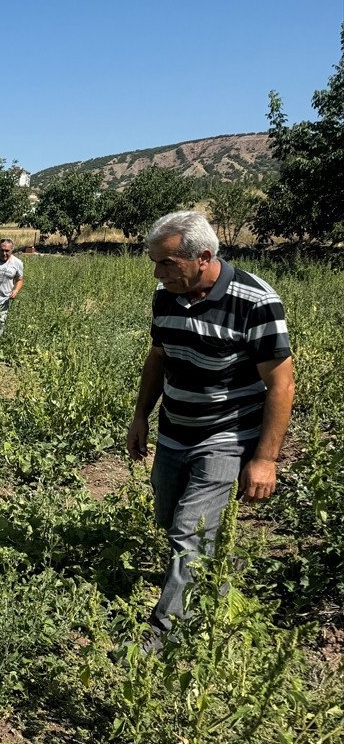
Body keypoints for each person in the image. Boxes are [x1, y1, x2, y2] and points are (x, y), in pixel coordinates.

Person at [127, 211, 293, 646]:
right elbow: (158, 358)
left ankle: (164, 635)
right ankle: (214, 583)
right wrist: (141, 415)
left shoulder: (254, 301)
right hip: (175, 428)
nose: (160, 274)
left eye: (168, 264)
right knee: (168, 517)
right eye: (156, 264)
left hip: (227, 433)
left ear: (203, 257)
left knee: (190, 527)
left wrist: (264, 458)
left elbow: (281, 383)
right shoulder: (166, 296)